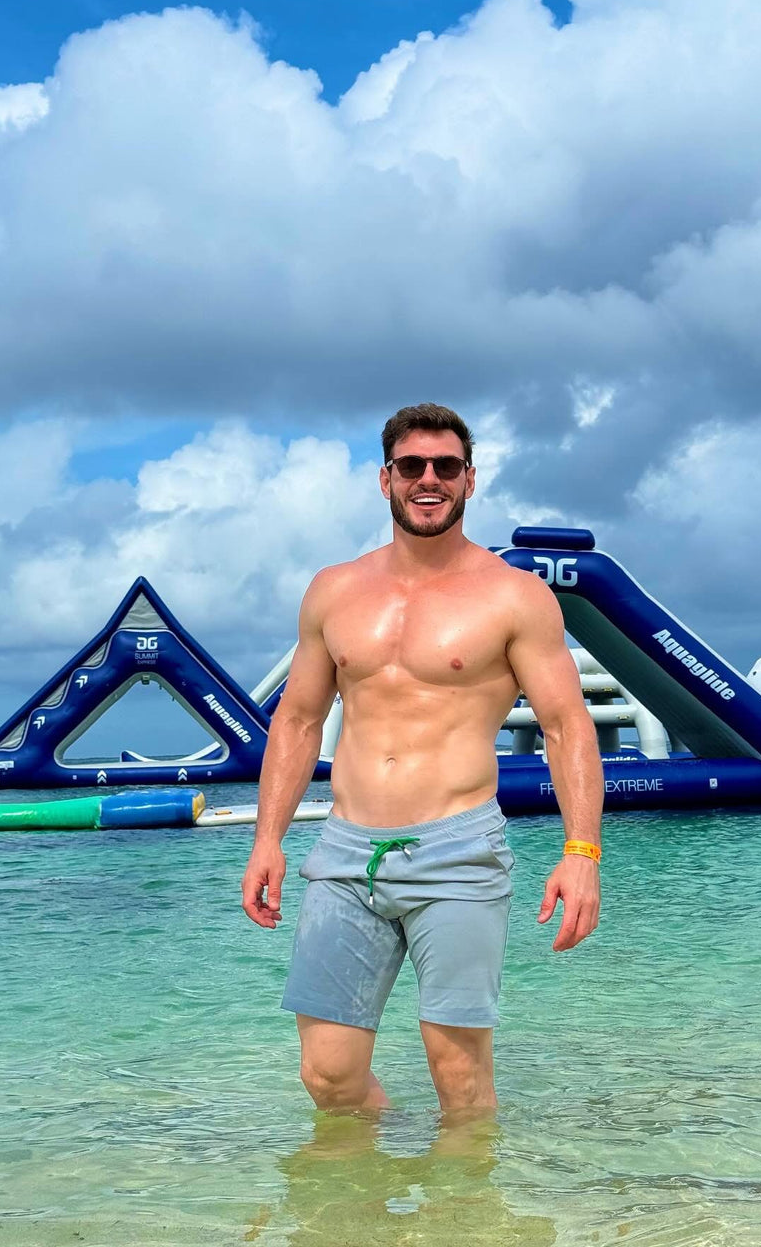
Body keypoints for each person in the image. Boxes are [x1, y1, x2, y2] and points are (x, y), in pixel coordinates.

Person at [241, 403, 603, 1115]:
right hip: (345, 852)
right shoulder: (334, 590)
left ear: (470, 479)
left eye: (445, 466)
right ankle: (371, 1183)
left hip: (458, 850)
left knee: (458, 1075)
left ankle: (462, 1189)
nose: (428, 479)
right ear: (387, 479)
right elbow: (299, 719)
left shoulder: (514, 597)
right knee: (328, 1075)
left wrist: (581, 852)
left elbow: (567, 726)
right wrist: (267, 840)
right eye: (412, 466)